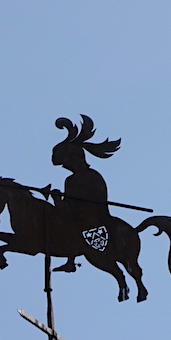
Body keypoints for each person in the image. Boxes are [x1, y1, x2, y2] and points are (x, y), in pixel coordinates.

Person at [50, 115, 120, 272]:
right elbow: (69, 205)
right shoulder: (72, 179)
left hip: (91, 220)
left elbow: (78, 205)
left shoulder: (88, 177)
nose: (65, 167)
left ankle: (71, 259)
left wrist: (60, 202)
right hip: (81, 217)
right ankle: (70, 259)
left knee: (69, 227)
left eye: (65, 163)